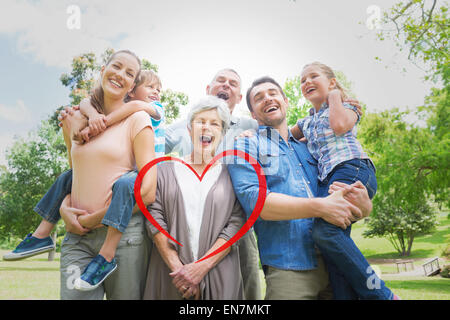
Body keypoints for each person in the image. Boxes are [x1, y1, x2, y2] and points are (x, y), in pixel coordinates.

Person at [227, 76, 376, 300]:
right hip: (289, 270)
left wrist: (364, 209)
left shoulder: (315, 149)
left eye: (273, 93)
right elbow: (256, 202)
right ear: (254, 115)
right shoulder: (247, 145)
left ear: (286, 101)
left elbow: (339, 193)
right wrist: (320, 207)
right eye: (259, 98)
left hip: (336, 264)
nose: (267, 98)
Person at [2, 70, 164, 265]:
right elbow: (86, 103)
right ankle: (41, 234)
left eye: (158, 89)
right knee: (67, 177)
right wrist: (92, 114)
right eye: (150, 87)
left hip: (142, 174)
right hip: (122, 172)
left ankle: (107, 253)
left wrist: (100, 123)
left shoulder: (151, 109)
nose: (156, 92)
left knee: (123, 185)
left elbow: (137, 106)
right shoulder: (117, 109)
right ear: (131, 91)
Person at [289, 62, 395, 299]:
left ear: (332, 82)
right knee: (331, 246)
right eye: (302, 80)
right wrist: (250, 132)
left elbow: (338, 126)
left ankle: (383, 295)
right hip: (330, 179)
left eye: (313, 76)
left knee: (325, 233)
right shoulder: (307, 122)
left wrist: (335, 97)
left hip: (353, 169)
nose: (306, 82)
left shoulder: (347, 106)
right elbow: (282, 135)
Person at [58, 49, 157, 299]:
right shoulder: (78, 119)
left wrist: (92, 220)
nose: (120, 74)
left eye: (129, 73)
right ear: (103, 71)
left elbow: (147, 192)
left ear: (133, 85)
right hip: (77, 237)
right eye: (116, 66)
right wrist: (63, 208)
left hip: (124, 237)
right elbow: (76, 174)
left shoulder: (138, 119)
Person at [165, 68, 262, 300]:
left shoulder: (252, 125)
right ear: (208, 89)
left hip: (238, 223)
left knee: (246, 285)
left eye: (233, 83)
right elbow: (148, 146)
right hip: (190, 224)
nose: (226, 85)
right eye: (220, 80)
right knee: (188, 283)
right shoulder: (182, 126)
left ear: (239, 98)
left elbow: (284, 134)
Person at [144, 95, 245, 300]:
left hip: (219, 274)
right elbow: (154, 219)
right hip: (170, 275)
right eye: (200, 122)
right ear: (190, 129)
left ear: (222, 133)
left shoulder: (233, 173)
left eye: (214, 124)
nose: (206, 127)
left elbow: (237, 223)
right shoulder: (163, 170)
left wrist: (200, 268)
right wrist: (181, 272)